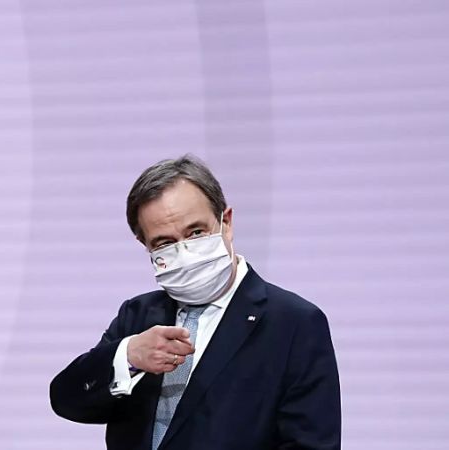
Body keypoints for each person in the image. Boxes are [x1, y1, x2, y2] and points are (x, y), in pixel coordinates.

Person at [49, 155, 340, 450]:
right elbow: (67, 400)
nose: (185, 253)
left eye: (196, 232)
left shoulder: (294, 323)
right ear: (145, 246)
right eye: (164, 243)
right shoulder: (137, 316)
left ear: (226, 223)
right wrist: (128, 357)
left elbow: (310, 444)